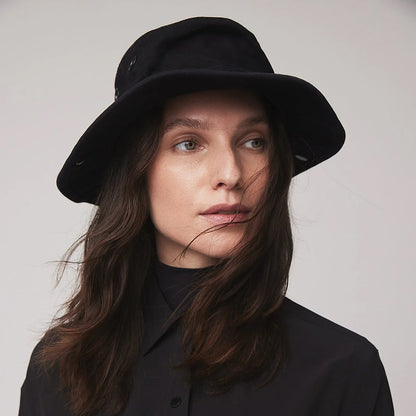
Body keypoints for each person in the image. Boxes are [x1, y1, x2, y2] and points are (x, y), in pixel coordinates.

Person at [18, 17, 394, 416]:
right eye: (188, 143)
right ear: (135, 171)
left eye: (254, 142)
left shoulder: (342, 368)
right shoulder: (59, 367)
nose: (231, 174)